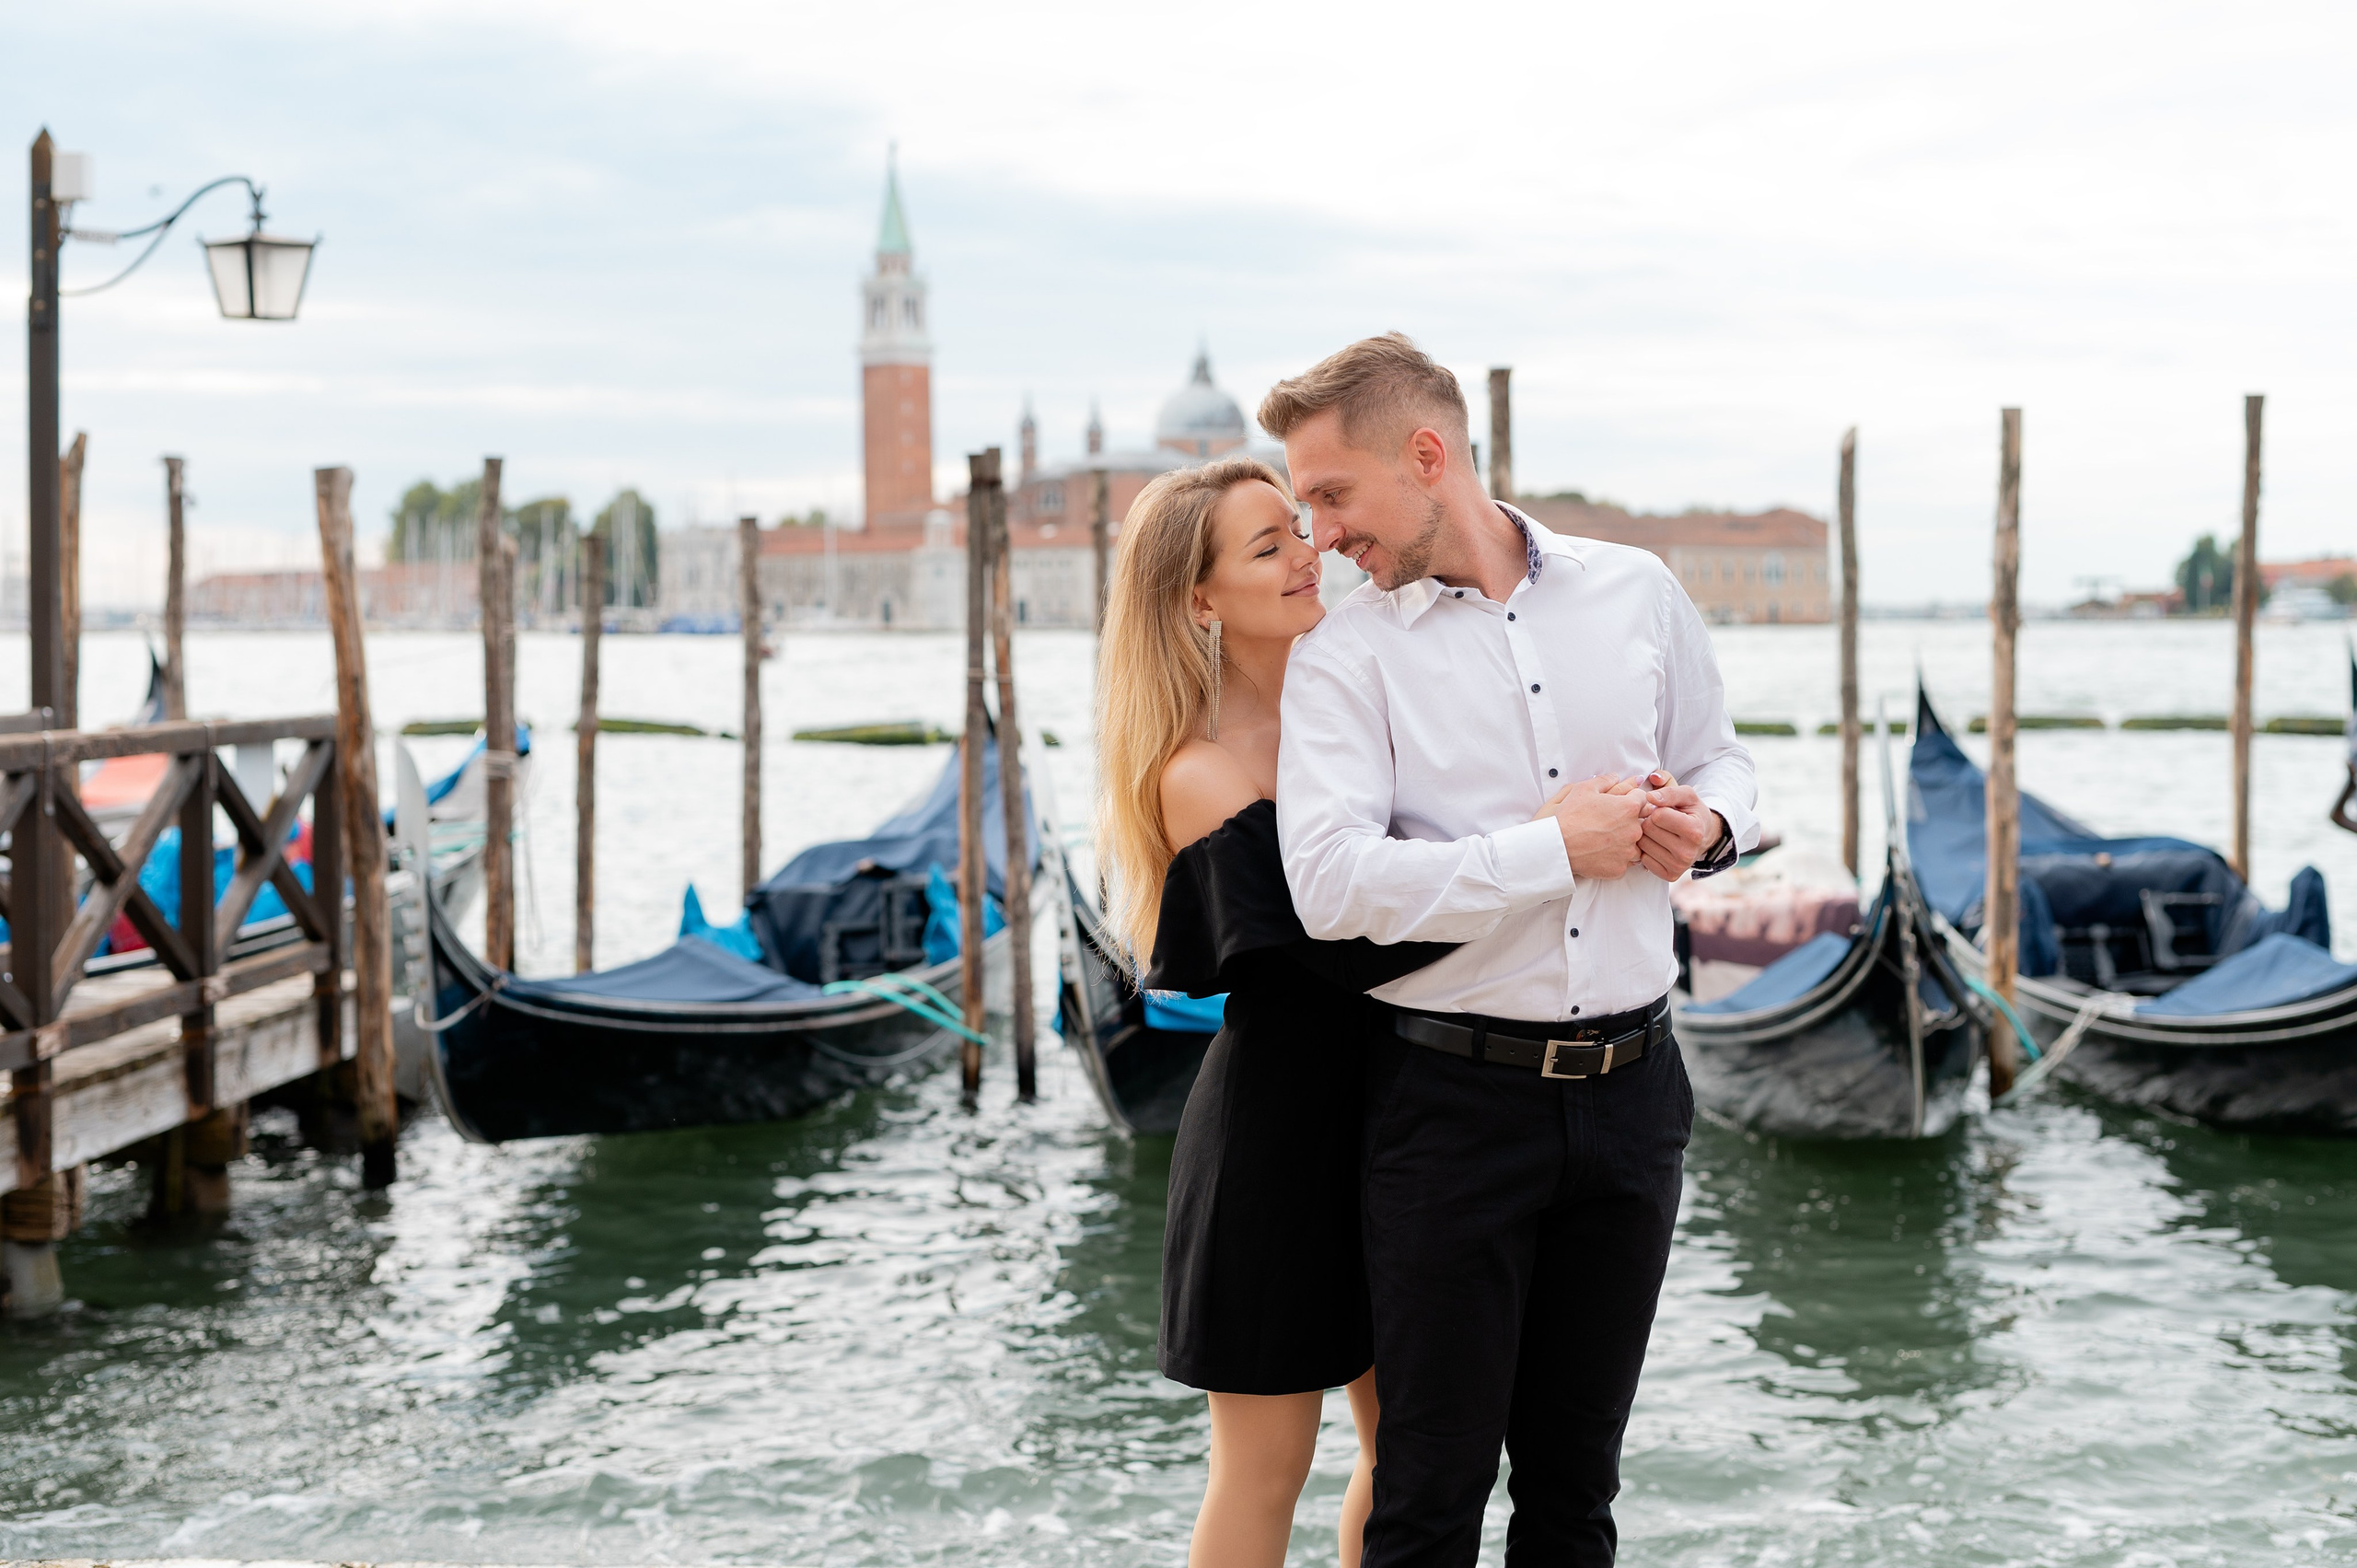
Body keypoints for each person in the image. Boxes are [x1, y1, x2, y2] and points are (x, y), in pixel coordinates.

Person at [1260, 332, 1759, 1567]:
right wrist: (1552, 848)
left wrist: (1710, 828)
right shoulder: (1346, 651)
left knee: (1577, 1494)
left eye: (1331, 495)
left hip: (1639, 1095)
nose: (1316, 536)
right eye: (1301, 507)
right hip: (1449, 1106)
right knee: (1427, 1497)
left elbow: (1722, 754)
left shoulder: (1636, 588)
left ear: (1427, 456)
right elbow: (1328, 886)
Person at [1094, 457, 1452, 1568]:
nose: (1307, 554)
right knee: (1264, 1470)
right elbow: (1337, 955)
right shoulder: (1194, 770)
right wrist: (1538, 859)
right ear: (1200, 600)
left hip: (1409, 1121)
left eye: (1297, 530)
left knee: (1415, 1456)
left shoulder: (1363, 711)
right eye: (1267, 546)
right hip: (1275, 1150)